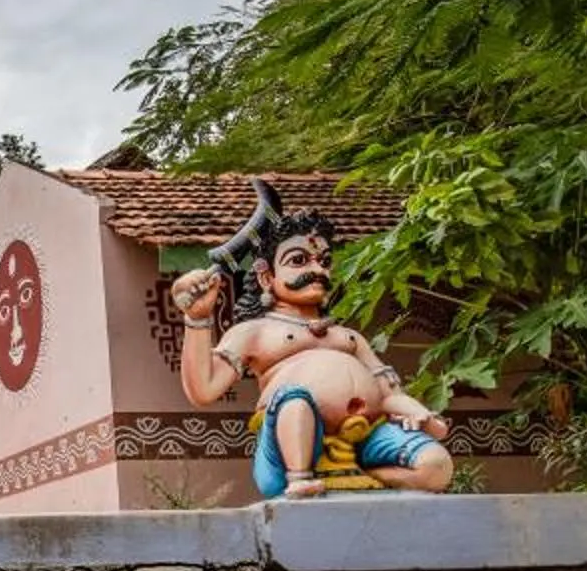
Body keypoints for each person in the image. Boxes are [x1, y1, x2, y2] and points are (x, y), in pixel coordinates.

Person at [167, 204, 453, 499]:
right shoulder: (254, 332)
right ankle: (301, 478)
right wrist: (198, 319)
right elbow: (203, 391)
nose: (317, 270)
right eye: (299, 260)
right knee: (294, 397)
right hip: (290, 447)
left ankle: (369, 476)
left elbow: (388, 393)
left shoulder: (349, 336)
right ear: (266, 277)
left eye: (324, 261)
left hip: (366, 436)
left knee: (436, 466)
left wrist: (416, 411)